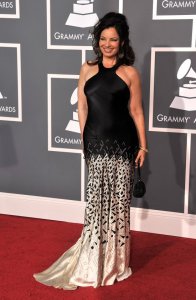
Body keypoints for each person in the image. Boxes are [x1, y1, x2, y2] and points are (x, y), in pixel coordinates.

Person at [33, 11, 147, 290]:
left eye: (113, 39)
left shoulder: (129, 73)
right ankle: (94, 259)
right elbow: (82, 107)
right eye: (103, 38)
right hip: (95, 144)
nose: (107, 44)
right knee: (97, 206)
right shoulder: (87, 68)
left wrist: (143, 145)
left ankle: (115, 263)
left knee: (118, 206)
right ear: (97, 40)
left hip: (123, 147)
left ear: (122, 43)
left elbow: (136, 111)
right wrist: (86, 139)